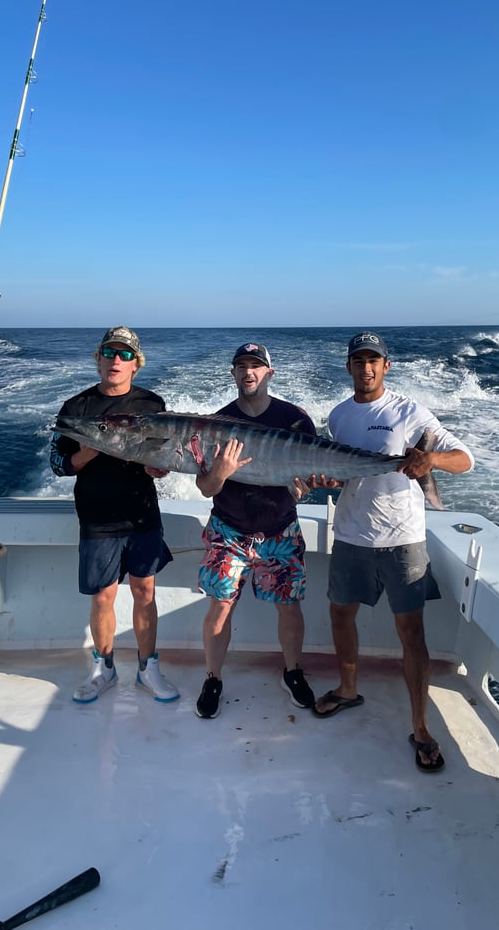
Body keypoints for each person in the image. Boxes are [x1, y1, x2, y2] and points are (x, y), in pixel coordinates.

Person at [313, 331, 474, 773]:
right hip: (350, 536)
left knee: (411, 633)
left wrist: (431, 462)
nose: (366, 368)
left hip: (403, 540)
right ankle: (348, 689)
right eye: (358, 361)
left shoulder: (409, 412)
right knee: (340, 614)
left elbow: (465, 458)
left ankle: (420, 727)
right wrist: (329, 478)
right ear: (347, 366)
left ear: (386, 366)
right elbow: (344, 471)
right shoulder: (339, 416)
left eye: (374, 361)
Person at [50, 325, 179, 705]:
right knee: (103, 598)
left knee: (145, 591)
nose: (116, 361)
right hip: (97, 516)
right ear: (98, 359)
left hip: (142, 514)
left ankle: (147, 668)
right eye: (109, 353)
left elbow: (163, 456)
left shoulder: (152, 404)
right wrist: (91, 449)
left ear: (136, 364)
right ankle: (103, 668)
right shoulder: (77, 410)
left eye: (125, 355)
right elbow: (58, 463)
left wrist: (159, 468)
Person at [193, 342, 318, 719]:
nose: (249, 372)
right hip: (229, 529)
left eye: (256, 366)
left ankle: (292, 672)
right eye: (241, 366)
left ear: (269, 374)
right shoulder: (214, 425)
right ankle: (213, 677)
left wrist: (306, 485)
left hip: (280, 529)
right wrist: (220, 472)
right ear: (232, 374)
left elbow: (308, 477)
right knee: (220, 607)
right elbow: (206, 488)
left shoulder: (295, 419)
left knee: (289, 607)